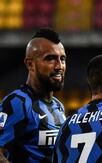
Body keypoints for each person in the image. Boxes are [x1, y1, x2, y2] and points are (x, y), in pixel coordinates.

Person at [0, 28, 67, 162]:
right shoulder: (17, 103)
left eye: (63, 59)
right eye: (50, 59)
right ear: (30, 64)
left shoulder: (58, 106)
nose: (59, 66)